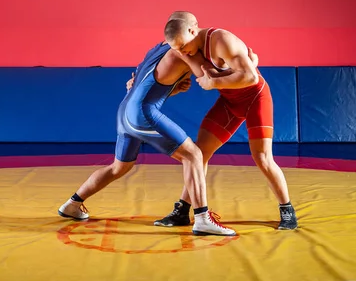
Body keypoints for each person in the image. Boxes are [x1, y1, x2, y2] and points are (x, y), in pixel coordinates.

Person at [57, 35, 237, 236]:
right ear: (190, 31)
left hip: (125, 110)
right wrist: (245, 65)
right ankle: (203, 219)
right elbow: (209, 76)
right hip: (141, 113)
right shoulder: (184, 51)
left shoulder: (155, 49)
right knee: (193, 155)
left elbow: (143, 86)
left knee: (119, 167)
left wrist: (173, 88)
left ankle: (73, 204)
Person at [150, 11, 298, 230]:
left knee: (262, 157)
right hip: (229, 102)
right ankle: (182, 210)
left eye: (183, 46)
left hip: (255, 98)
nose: (182, 52)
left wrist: (214, 83)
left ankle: (287, 210)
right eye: (177, 49)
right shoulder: (189, 47)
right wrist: (137, 82)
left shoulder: (221, 40)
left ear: (193, 30)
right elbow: (161, 69)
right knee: (199, 153)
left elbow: (251, 77)